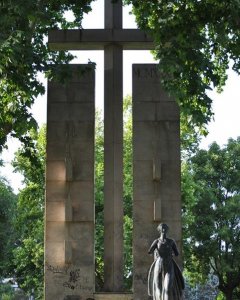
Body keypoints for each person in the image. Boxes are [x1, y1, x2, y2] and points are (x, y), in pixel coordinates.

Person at [148, 223, 184, 300]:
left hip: (169, 264)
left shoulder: (171, 241)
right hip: (159, 265)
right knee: (158, 289)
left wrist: (170, 253)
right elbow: (150, 251)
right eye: (162, 228)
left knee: (167, 288)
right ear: (159, 230)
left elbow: (177, 253)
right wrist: (156, 253)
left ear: (167, 230)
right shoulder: (156, 241)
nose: (164, 229)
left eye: (165, 228)